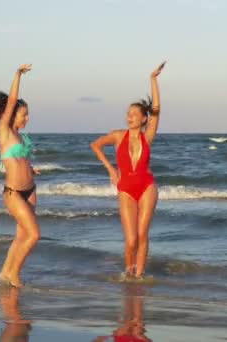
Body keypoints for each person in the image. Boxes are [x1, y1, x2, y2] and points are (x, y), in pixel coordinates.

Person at [90, 61, 166, 279]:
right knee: (131, 239)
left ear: (143, 118)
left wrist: (153, 80)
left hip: (147, 186)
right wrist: (111, 170)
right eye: (128, 112)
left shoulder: (147, 136)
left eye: (134, 113)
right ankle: (128, 272)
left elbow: (158, 111)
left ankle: (138, 277)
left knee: (143, 235)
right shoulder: (117, 136)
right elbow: (95, 145)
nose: (129, 115)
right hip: (125, 188)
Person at [0, 64, 40, 288]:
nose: (27, 118)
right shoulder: (4, 131)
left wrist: (30, 169)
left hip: (31, 190)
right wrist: (18, 75)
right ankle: (15, 274)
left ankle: (6, 273)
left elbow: (20, 159)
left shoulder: (21, 137)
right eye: (24, 114)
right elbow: (13, 99)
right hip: (14, 192)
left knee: (22, 236)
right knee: (34, 235)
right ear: (12, 113)